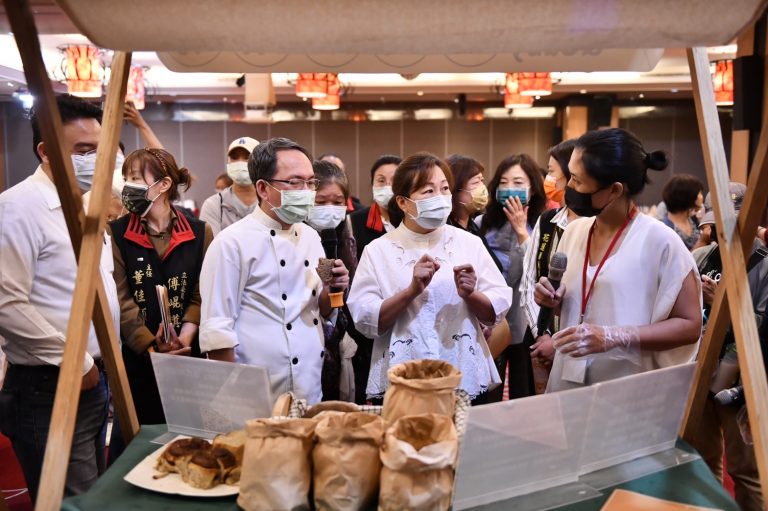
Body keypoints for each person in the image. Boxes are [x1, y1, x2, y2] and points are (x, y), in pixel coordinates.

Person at [0, 94, 121, 501]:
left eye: (100, 151)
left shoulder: (86, 203)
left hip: (95, 378)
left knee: (95, 496)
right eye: (83, 151)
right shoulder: (18, 208)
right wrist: (76, 359)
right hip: (49, 384)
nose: (95, 161)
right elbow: (6, 303)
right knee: (73, 502)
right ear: (46, 151)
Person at [534, 128, 702, 392]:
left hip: (626, 387)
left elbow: (690, 325)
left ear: (614, 190)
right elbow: (582, 304)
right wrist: (554, 300)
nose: (568, 188)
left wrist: (615, 337)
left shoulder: (660, 241)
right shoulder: (576, 231)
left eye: (577, 181)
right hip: (568, 380)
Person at [348, 152, 511, 404]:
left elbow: (495, 311)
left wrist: (471, 294)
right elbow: (366, 320)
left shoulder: (469, 243)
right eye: (427, 191)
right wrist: (410, 291)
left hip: (461, 372)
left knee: (463, 440)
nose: (440, 198)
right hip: (403, 377)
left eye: (444, 189)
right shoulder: (379, 250)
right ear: (402, 202)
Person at [199, 138, 350, 405]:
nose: (306, 191)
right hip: (254, 393)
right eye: (294, 183)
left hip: (309, 386)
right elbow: (217, 329)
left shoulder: (312, 237)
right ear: (263, 188)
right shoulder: (231, 243)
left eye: (310, 182)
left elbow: (321, 310)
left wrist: (333, 290)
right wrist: (230, 399)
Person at [109, 148, 213, 429]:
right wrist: (150, 345)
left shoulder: (199, 231)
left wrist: (185, 338)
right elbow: (121, 298)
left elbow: (202, 293)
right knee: (140, 440)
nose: (126, 186)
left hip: (188, 354)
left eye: (134, 178)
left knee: (188, 436)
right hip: (139, 359)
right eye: (125, 178)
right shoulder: (116, 232)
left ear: (164, 185)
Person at [690, 183, 765, 511]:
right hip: (702, 370)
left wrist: (722, 304)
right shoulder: (702, 257)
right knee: (703, 463)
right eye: (717, 222)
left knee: (746, 470)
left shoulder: (763, 263)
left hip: (742, 378)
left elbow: (761, 328)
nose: (724, 230)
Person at [478, 153, 548, 400]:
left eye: (518, 183)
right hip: (489, 322)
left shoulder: (542, 225)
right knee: (489, 391)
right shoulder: (482, 224)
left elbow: (539, 271)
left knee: (523, 391)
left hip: (525, 322)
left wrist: (521, 230)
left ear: (532, 189)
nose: (509, 189)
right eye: (503, 183)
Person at [521, 139, 579, 394]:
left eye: (552, 171)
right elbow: (528, 283)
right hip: (541, 341)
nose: (548, 178)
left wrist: (559, 343)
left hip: (580, 345)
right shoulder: (548, 221)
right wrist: (542, 335)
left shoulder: (596, 224)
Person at [306, 159, 360, 401]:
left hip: (336, 340)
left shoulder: (346, 234)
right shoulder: (299, 236)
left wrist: (335, 288)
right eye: (321, 202)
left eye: (337, 202)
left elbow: (333, 305)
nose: (330, 208)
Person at [199, 137, 259, 236]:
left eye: (247, 157)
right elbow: (214, 248)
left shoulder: (271, 204)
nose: (240, 163)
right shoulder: (214, 205)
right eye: (234, 158)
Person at [349, 154, 402, 261]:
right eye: (381, 181)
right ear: (372, 183)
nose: (388, 186)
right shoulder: (355, 221)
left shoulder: (414, 220)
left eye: (395, 181)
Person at [660, 174, 705, 250]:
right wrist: (702, 241)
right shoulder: (665, 229)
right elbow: (680, 259)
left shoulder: (694, 220)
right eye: (699, 193)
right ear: (688, 196)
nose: (701, 196)